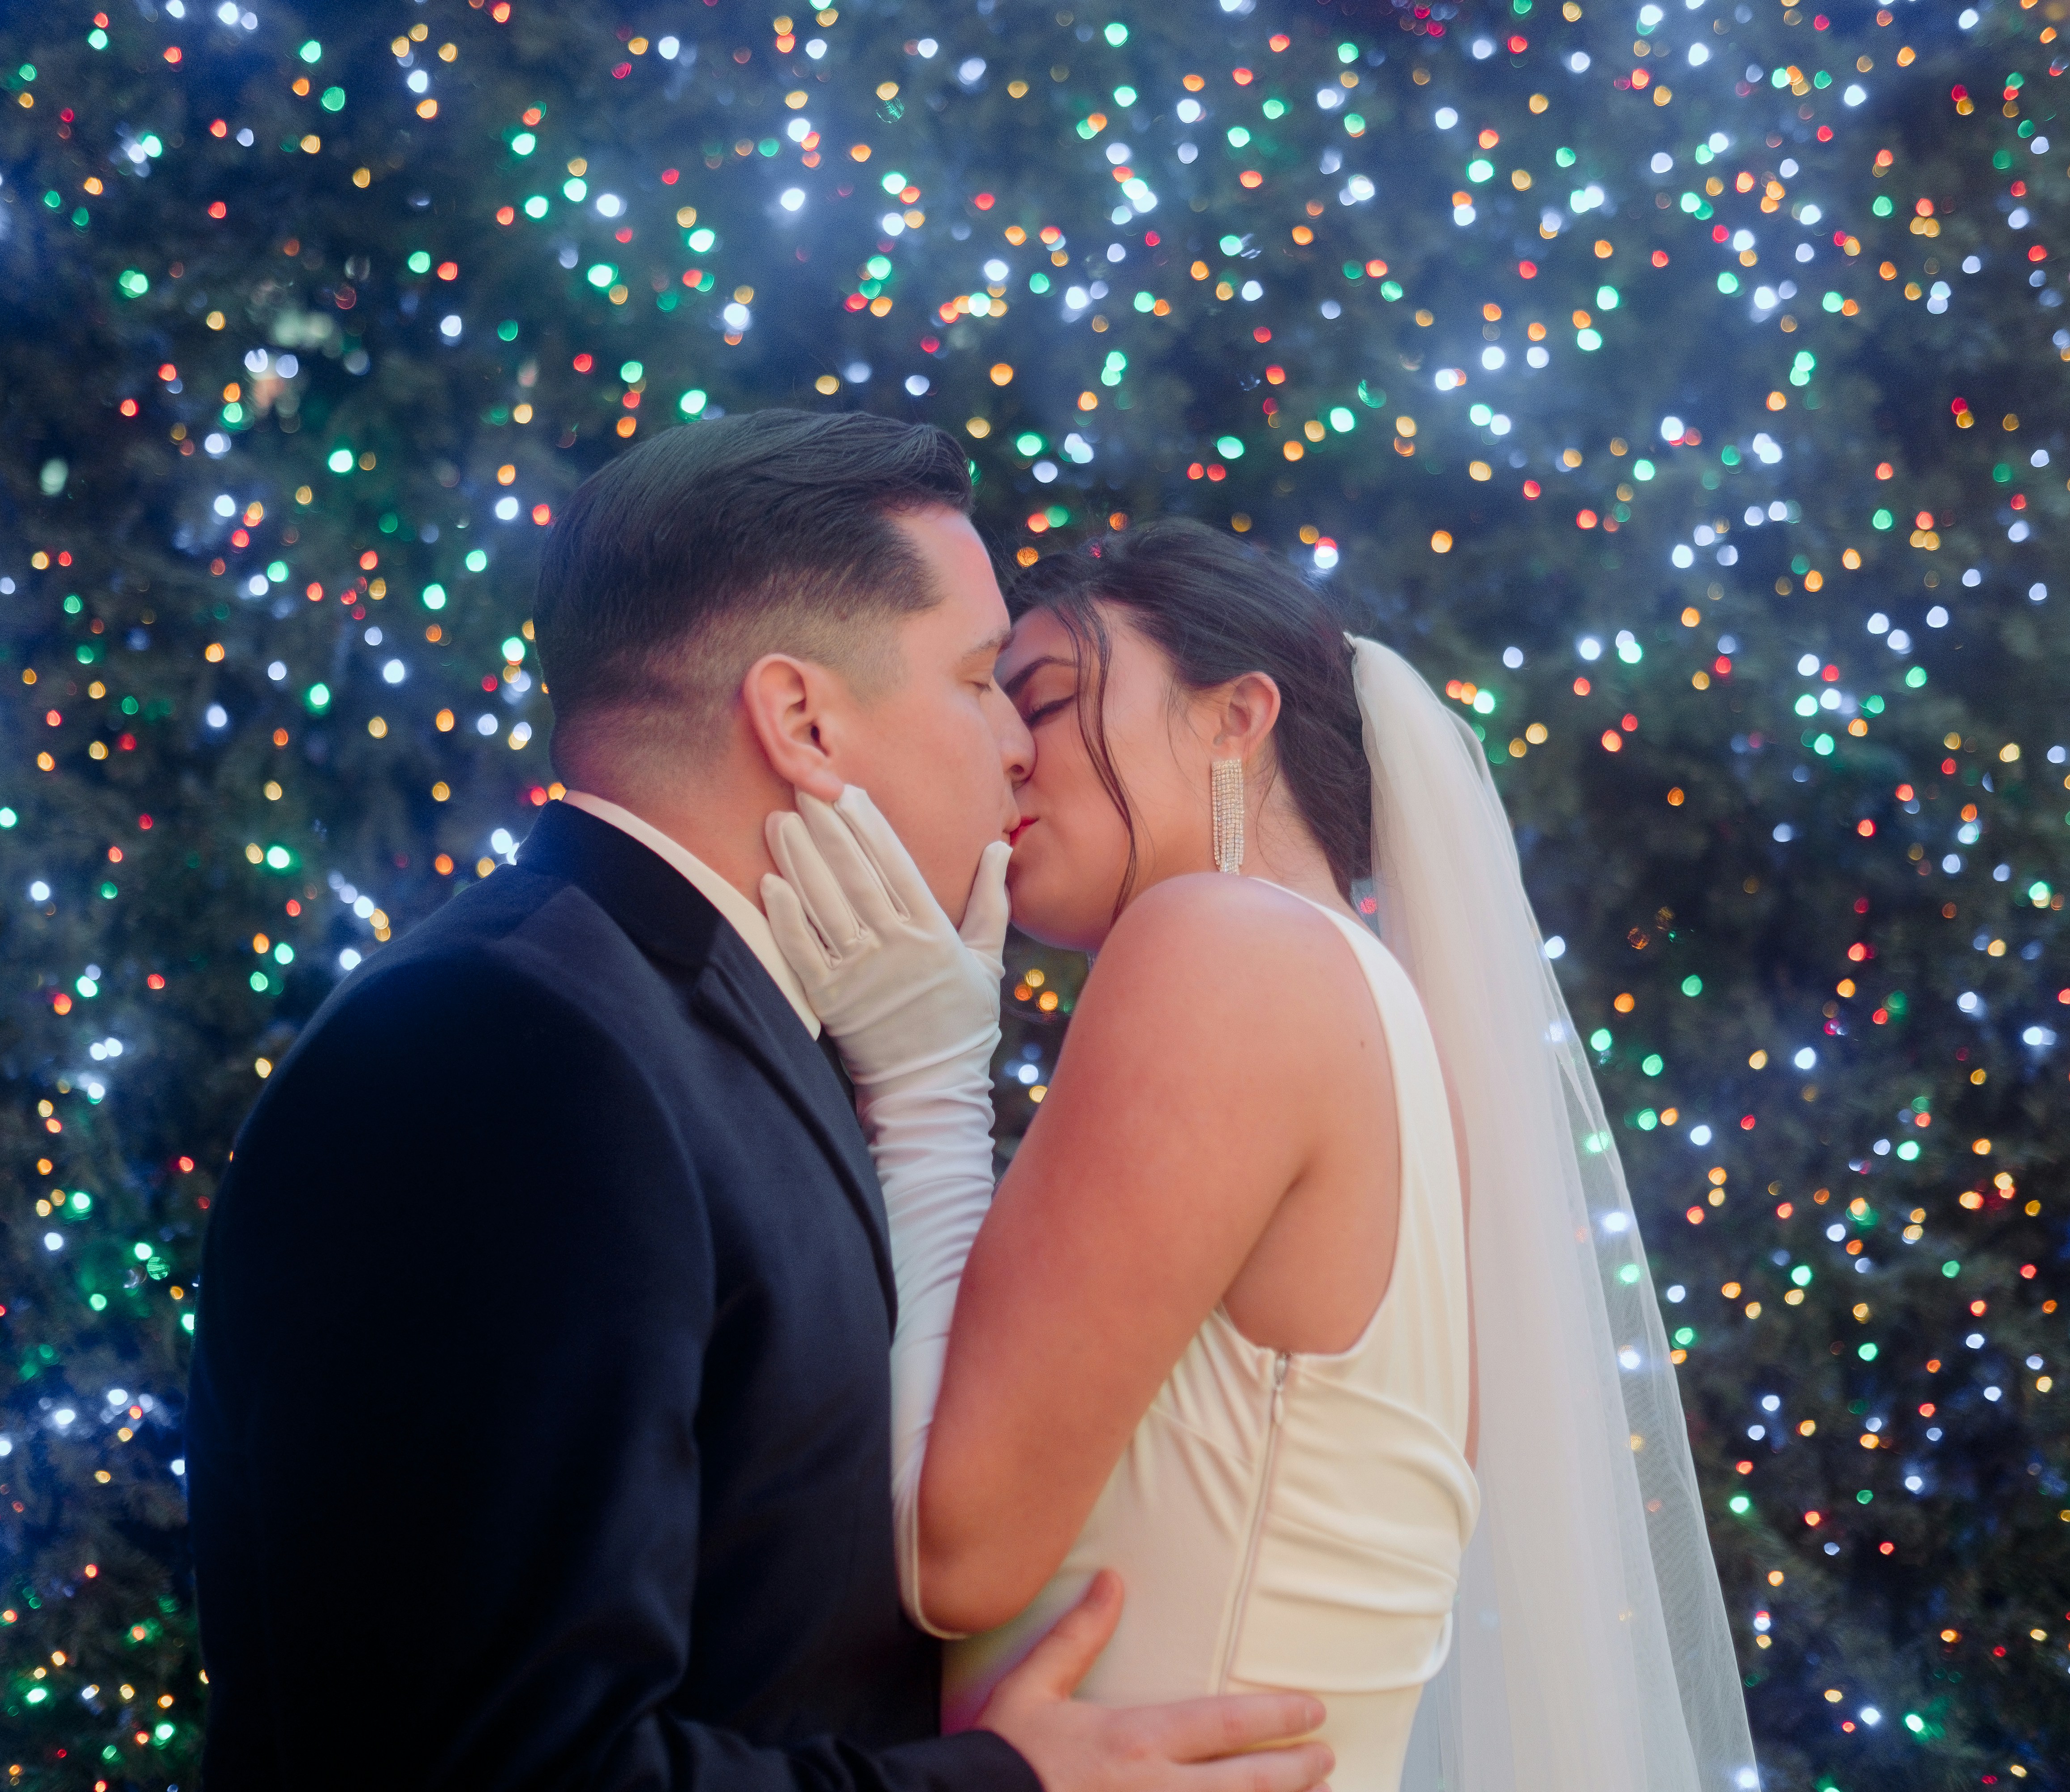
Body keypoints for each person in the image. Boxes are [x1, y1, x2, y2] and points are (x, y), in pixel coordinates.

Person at [185, 416, 1336, 1792]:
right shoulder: (507, 1051)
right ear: (800, 719)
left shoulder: (705, 1028)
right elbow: (505, 1765)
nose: (1019, 752)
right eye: (981, 684)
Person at [762, 519, 1760, 1792]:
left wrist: (927, 1082)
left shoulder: (1223, 948)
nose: (1005, 752)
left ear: (1237, 719)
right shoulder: (1371, 1009)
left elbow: (954, 1559)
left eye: (1048, 700)